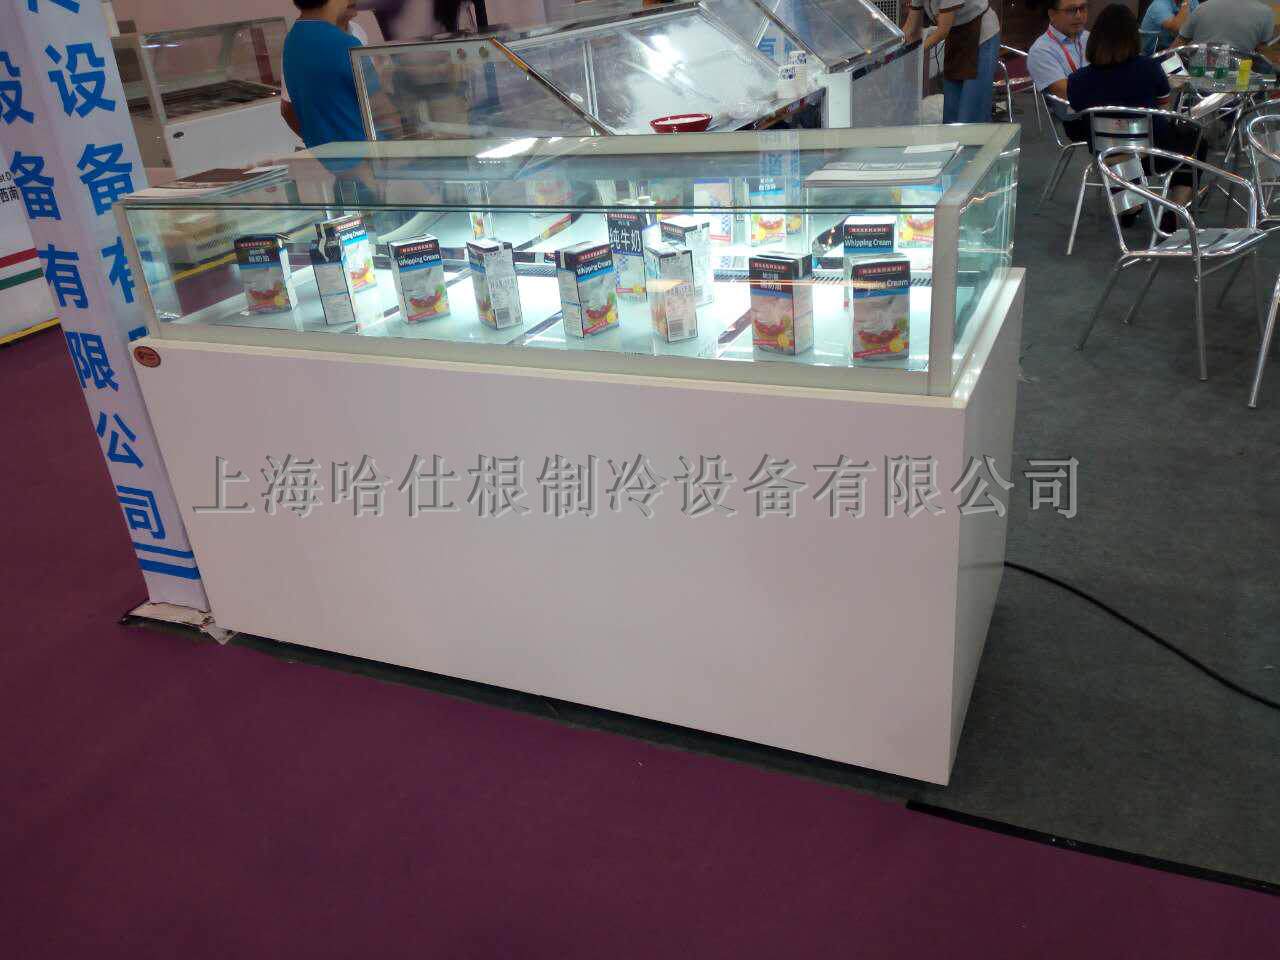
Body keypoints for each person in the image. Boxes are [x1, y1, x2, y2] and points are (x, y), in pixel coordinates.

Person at [1068, 3, 1207, 227]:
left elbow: (1076, 117)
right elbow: (1163, 107)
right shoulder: (1149, 68)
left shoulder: (1077, 80)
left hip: (1105, 155)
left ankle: (1129, 204)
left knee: (1121, 142)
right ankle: (1175, 209)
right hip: (1153, 155)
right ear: (1134, 37)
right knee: (1195, 139)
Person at [282, 0, 373, 149]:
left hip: (335, 152)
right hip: (358, 152)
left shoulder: (292, 39)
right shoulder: (344, 44)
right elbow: (378, 105)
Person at [903, 0, 1002, 123]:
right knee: (951, 116)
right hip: (956, 39)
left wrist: (915, 53)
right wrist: (894, 49)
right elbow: (910, 27)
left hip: (981, 38)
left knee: (971, 117)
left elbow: (942, 31)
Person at [1027, 0, 1091, 141]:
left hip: (1103, 107)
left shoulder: (1090, 38)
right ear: (1052, 14)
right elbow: (1067, 92)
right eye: (1071, 10)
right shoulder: (1041, 50)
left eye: (1082, 8)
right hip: (1077, 119)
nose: (1079, 15)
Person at [1173, 0, 1278, 64]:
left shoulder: (1203, 7)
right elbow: (1262, 52)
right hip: (1240, 80)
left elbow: (1177, 45)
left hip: (1198, 75)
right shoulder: (1266, 12)